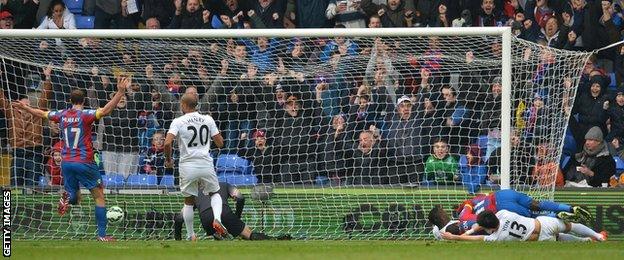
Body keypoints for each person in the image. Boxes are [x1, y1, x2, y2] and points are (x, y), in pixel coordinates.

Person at [12, 77, 130, 242]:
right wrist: (120, 92)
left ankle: (66, 196)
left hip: (66, 162)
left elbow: (41, 113)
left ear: (69, 101)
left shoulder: (62, 115)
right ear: (84, 101)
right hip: (84, 161)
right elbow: (105, 110)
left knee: (76, 197)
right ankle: (102, 236)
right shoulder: (86, 115)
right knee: (99, 197)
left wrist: (26, 107)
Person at [164, 93, 228, 241]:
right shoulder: (208, 119)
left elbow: (167, 143)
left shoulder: (178, 121)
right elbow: (220, 143)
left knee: (188, 201)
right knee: (215, 193)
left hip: (187, 165)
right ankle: (217, 219)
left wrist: (168, 160)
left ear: (184, 105)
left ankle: (191, 235)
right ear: (196, 105)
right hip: (205, 163)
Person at [173, 182, 291, 241]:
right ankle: (273, 240)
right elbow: (240, 197)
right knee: (247, 234)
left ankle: (218, 235)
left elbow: (179, 218)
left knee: (218, 234)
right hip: (224, 211)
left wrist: (178, 240)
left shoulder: (194, 193)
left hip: (205, 217)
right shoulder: (224, 184)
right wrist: (237, 217)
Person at [440, 210, 608, 242]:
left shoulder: (497, 238)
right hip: (543, 224)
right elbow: (483, 224)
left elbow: (478, 237)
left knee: (559, 239)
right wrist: (471, 230)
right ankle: (598, 236)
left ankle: (586, 241)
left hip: (540, 239)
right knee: (570, 226)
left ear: (488, 228)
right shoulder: (504, 213)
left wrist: (457, 236)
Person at [456, 189, 592, 225]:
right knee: (536, 204)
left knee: (532, 217)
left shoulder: (464, 215)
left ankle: (556, 216)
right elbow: (482, 195)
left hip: (501, 208)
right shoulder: (474, 200)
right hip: (503, 194)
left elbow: (469, 217)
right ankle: (569, 208)